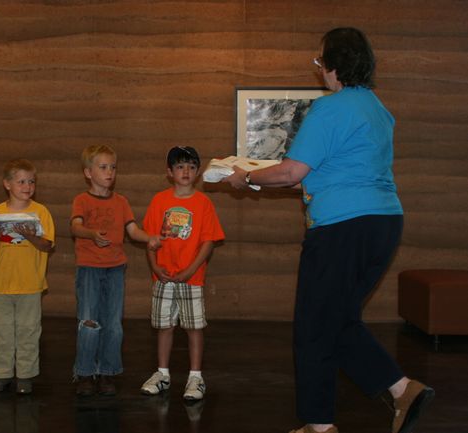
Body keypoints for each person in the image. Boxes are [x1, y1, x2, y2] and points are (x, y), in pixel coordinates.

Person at [223, 27, 434, 433]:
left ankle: (332, 421)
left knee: (314, 326)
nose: (320, 71)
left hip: (342, 229)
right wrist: (267, 177)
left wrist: (246, 179)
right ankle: (394, 393)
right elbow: (318, 176)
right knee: (337, 320)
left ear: (335, 65)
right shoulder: (377, 108)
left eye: (321, 62)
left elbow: (290, 173)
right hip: (384, 224)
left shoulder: (331, 109)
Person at [71, 144, 161, 397]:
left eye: (113, 167)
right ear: (88, 173)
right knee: (89, 322)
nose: (109, 172)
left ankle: (108, 372)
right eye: (103, 167)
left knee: (113, 324)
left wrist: (148, 239)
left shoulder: (121, 202)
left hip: (115, 269)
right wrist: (91, 233)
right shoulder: (82, 200)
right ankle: (85, 372)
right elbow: (76, 227)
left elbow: (132, 230)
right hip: (89, 268)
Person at [140, 146, 225, 401]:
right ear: (169, 172)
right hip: (164, 276)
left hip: (192, 278)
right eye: (179, 166)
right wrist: (155, 266)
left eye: (190, 167)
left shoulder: (203, 203)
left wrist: (190, 270)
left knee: (193, 327)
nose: (185, 171)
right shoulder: (159, 201)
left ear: (198, 172)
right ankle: (162, 373)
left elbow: (208, 241)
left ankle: (195, 378)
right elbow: (150, 239)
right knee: (164, 326)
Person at [0, 159, 55, 395]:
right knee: (2, 332)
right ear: (7, 184)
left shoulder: (40, 212)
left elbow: (47, 246)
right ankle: (2, 375)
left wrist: (30, 235)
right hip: (2, 285)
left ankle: (25, 376)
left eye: (31, 181)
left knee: (28, 331)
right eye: (21, 181)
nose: (27, 186)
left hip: (30, 284)